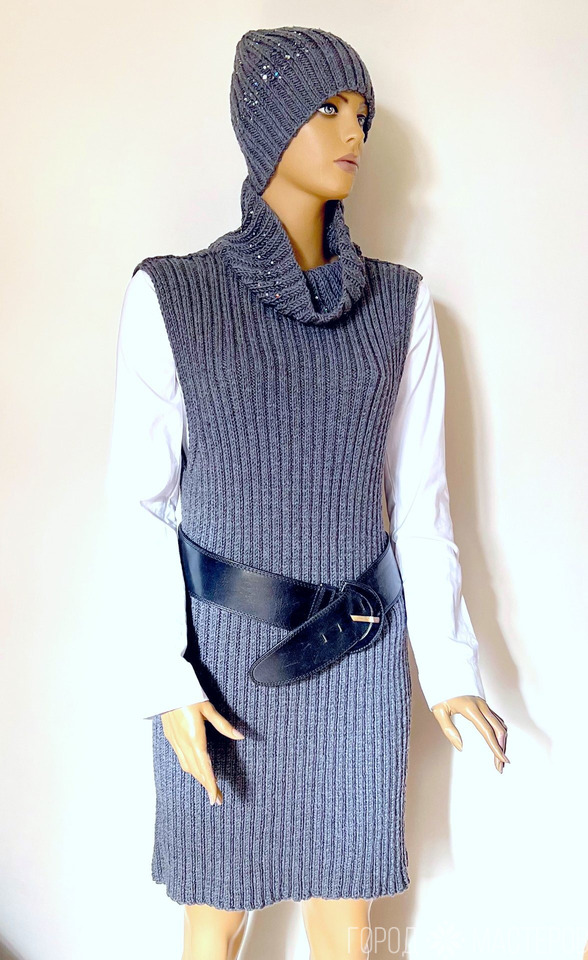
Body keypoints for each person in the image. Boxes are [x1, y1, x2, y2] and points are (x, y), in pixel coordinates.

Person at [106, 25, 508, 960]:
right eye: (328, 108)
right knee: (214, 915)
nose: (353, 132)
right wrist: (163, 676)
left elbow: (421, 505)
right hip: (219, 665)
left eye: (362, 113)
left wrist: (449, 667)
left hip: (357, 659)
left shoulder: (401, 306)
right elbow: (139, 505)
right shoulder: (173, 295)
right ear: (267, 123)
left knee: (347, 917)